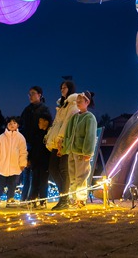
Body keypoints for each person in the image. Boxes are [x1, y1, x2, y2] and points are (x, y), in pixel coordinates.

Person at [60, 91, 98, 209]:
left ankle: (81, 199)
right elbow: (68, 133)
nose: (78, 103)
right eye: (77, 101)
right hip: (72, 151)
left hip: (81, 152)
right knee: (73, 176)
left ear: (87, 102)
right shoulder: (74, 117)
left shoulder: (89, 118)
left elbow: (90, 136)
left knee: (81, 176)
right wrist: (65, 147)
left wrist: (87, 152)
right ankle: (73, 197)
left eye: (80, 101)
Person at [46, 80, 78, 210]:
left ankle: (64, 200)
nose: (62, 89)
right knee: (53, 168)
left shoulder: (72, 104)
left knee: (64, 169)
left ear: (70, 89)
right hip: (56, 140)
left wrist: (60, 138)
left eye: (64, 87)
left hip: (64, 140)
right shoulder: (61, 105)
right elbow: (56, 123)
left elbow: (67, 123)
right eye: (61, 88)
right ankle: (64, 196)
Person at [18, 86, 51, 201]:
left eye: (32, 93)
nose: (30, 96)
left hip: (40, 145)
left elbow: (47, 126)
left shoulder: (44, 109)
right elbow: (21, 125)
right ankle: (25, 198)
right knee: (26, 172)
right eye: (29, 94)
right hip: (27, 144)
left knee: (39, 174)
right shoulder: (27, 110)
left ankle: (38, 198)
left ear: (39, 95)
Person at [0, 116, 27, 208]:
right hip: (2, 166)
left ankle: (10, 199)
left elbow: (23, 152)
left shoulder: (21, 138)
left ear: (18, 125)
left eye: (14, 123)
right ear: (6, 125)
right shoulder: (1, 138)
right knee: (0, 185)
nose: (12, 125)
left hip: (15, 166)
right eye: (10, 123)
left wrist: (22, 163)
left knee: (12, 185)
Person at [28, 111, 52, 208]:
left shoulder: (50, 133)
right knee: (34, 181)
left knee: (43, 182)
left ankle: (43, 200)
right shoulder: (37, 134)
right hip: (36, 162)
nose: (39, 123)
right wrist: (29, 159)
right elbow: (33, 148)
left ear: (46, 122)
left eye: (40, 121)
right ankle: (33, 199)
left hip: (45, 162)